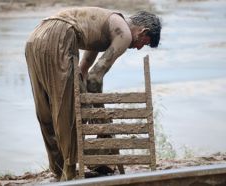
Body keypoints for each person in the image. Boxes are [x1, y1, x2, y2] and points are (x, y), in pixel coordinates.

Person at [25, 6, 161, 181]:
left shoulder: (104, 25)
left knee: (45, 110)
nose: (141, 48)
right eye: (146, 43)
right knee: (67, 111)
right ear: (144, 31)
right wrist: (101, 116)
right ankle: (70, 172)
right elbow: (95, 77)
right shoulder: (124, 34)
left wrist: (89, 103)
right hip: (59, 36)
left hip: (36, 36)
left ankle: (59, 170)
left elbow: (83, 71)